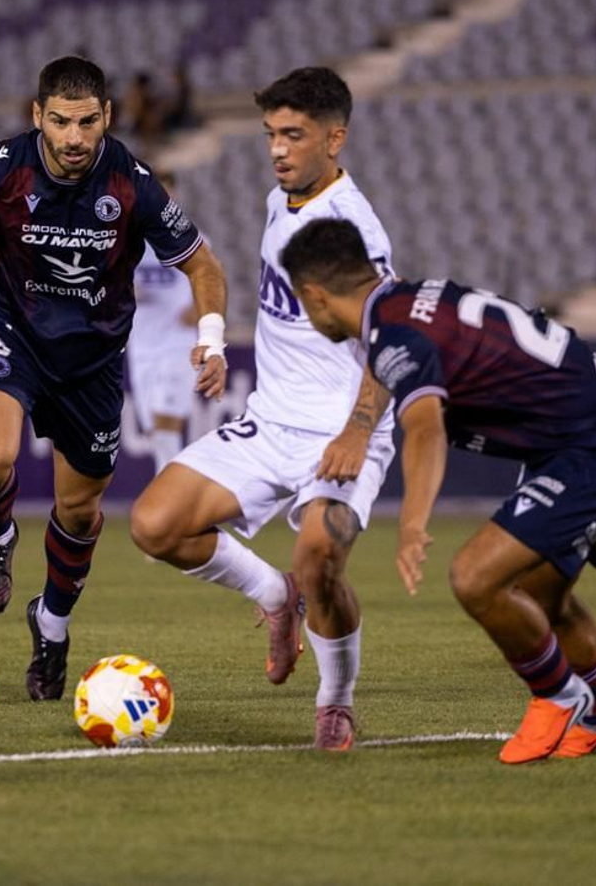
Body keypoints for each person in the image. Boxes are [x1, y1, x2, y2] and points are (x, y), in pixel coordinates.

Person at [0, 55, 227, 702]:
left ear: (107, 119)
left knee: (78, 509)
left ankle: (53, 624)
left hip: (92, 361)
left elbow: (203, 266)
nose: (73, 137)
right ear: (38, 116)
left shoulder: (133, 183)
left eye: (87, 122)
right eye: (60, 121)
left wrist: (210, 339)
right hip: (12, 330)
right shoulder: (4, 168)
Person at [280, 218, 596, 764]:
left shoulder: (393, 333)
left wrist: (411, 527)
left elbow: (427, 427)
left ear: (314, 295)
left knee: (475, 576)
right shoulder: (406, 300)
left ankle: (558, 695)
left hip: (594, 448)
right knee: (539, 595)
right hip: (593, 436)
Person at [129, 68, 395, 751]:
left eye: (294, 135)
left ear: (335, 138)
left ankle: (335, 702)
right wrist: (214, 343)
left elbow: (395, 339)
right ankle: (277, 596)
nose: (278, 149)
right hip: (272, 416)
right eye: (272, 134)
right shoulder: (284, 199)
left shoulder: (352, 228)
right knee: (156, 524)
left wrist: (358, 433)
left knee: (320, 559)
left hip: (341, 426)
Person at [126, 171, 198, 480]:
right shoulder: (128, 245)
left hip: (177, 345)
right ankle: (172, 492)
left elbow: (212, 281)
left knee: (166, 421)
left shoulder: (192, 239)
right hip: (141, 345)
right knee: (155, 430)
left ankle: (168, 496)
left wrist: (201, 310)